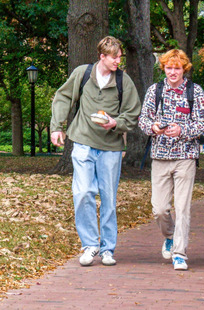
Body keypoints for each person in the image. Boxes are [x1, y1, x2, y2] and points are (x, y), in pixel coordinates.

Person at [50, 36, 141, 267]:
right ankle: (90, 245)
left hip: (110, 147)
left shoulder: (123, 81)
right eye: (114, 57)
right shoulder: (83, 74)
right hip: (82, 142)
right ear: (102, 56)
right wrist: (56, 127)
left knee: (108, 198)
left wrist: (115, 124)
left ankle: (108, 249)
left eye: (120, 57)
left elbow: (132, 113)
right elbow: (63, 97)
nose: (118, 61)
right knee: (82, 193)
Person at [138, 49, 204, 271]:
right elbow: (143, 120)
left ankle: (180, 253)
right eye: (169, 67)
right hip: (160, 156)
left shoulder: (194, 91)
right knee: (159, 209)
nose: (172, 72)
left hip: (186, 156)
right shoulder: (155, 90)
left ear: (184, 69)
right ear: (164, 68)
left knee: (183, 207)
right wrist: (153, 127)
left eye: (176, 68)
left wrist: (182, 129)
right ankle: (169, 235)